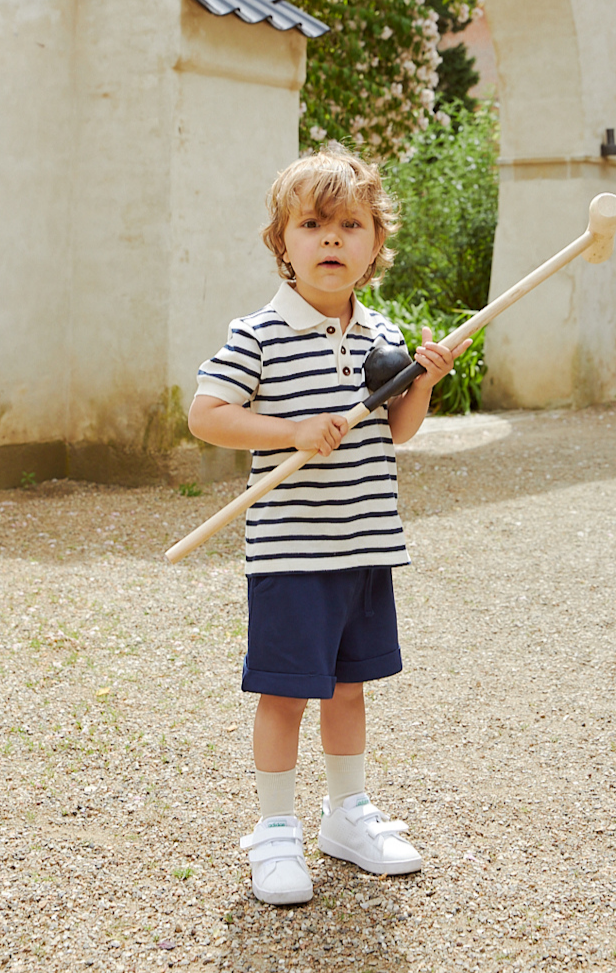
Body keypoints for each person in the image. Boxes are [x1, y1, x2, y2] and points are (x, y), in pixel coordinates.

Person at [188, 143, 470, 906]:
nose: (333, 239)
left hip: (366, 544)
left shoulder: (381, 335)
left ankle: (347, 814)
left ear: (377, 243)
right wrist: (290, 430)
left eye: (351, 224)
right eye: (313, 224)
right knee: (285, 695)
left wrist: (423, 382)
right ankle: (274, 830)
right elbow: (207, 415)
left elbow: (397, 431)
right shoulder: (258, 334)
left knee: (350, 690)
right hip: (292, 553)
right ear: (282, 242)